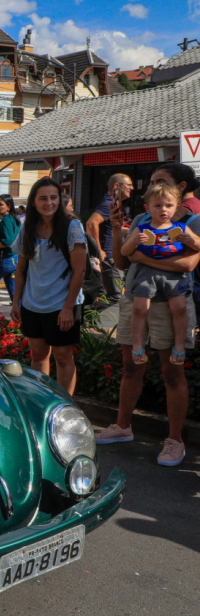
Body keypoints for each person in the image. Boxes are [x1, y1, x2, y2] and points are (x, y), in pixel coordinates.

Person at [97, 166, 200, 467]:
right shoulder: (143, 219)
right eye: (152, 183)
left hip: (170, 304)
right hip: (137, 298)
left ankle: (175, 440)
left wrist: (141, 257)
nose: (154, 188)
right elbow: (119, 260)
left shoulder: (192, 222)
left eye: (160, 182)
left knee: (172, 373)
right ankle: (123, 425)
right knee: (131, 366)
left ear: (179, 192)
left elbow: (189, 264)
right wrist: (117, 230)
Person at [10, 177, 87, 395]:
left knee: (63, 357)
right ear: (33, 202)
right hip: (32, 304)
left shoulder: (72, 227)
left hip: (62, 305)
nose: (49, 203)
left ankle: (64, 406)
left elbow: (79, 271)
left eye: (54, 198)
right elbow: (21, 269)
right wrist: (16, 302)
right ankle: (42, 401)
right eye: (43, 198)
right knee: (38, 356)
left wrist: (68, 308)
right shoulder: (27, 228)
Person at [119, 182, 197, 365]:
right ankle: (137, 347)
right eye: (158, 205)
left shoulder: (182, 228)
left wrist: (191, 241)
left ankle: (179, 347)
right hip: (145, 274)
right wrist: (134, 241)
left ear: (176, 207)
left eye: (169, 205)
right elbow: (124, 252)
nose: (164, 210)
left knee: (179, 308)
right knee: (139, 309)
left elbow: (198, 247)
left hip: (174, 276)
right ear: (147, 208)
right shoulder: (141, 228)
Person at [86, 173, 133, 306]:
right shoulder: (108, 204)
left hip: (113, 255)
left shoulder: (112, 204)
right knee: (116, 296)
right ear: (117, 186)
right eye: (129, 185)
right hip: (109, 257)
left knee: (111, 294)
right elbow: (91, 223)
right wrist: (98, 249)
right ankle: (85, 316)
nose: (132, 188)